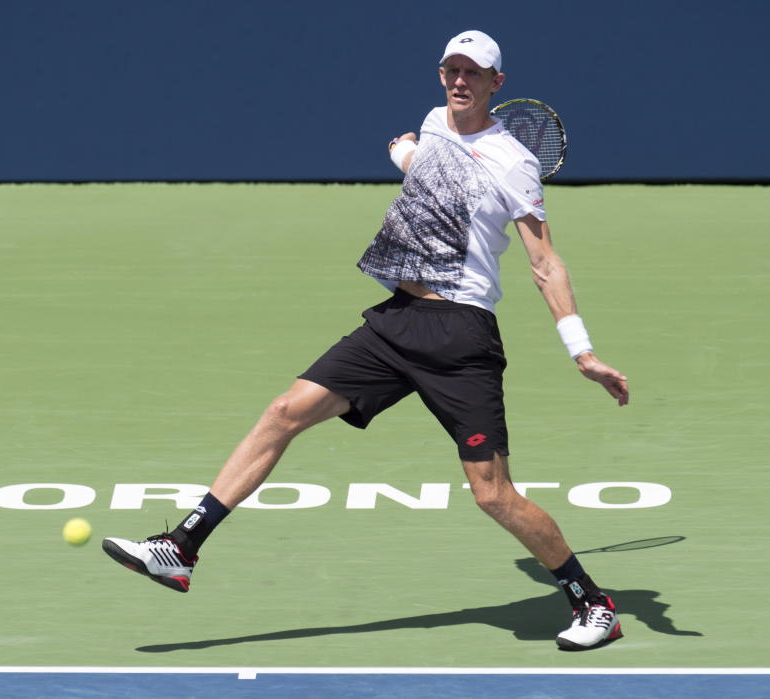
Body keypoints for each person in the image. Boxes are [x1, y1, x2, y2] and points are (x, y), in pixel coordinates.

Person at [103, 29, 630, 651]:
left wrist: (582, 351)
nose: (461, 81)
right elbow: (440, 181)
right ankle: (180, 548)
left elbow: (545, 262)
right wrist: (407, 155)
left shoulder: (515, 162)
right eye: (451, 69)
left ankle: (593, 603)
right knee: (283, 413)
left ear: (497, 83)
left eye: (474, 72)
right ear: (442, 75)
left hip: (461, 336)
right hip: (397, 321)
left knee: (493, 495)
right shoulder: (434, 122)